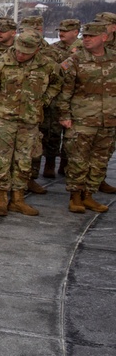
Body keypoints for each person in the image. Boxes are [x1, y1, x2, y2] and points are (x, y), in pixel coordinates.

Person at [0, 32, 62, 217]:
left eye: (26, 52)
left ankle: (18, 199)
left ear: (37, 50)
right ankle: (1, 199)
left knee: (24, 161)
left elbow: (57, 83)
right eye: (19, 51)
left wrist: (43, 100)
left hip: (29, 121)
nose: (21, 55)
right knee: (1, 160)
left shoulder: (46, 65)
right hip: (3, 120)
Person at [57, 22, 114, 213]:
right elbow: (64, 91)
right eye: (85, 36)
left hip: (108, 121)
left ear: (104, 38)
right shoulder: (75, 60)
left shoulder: (114, 59)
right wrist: (64, 115)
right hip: (82, 120)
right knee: (77, 160)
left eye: (91, 36)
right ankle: (75, 197)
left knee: (99, 161)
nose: (87, 39)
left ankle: (89, 195)